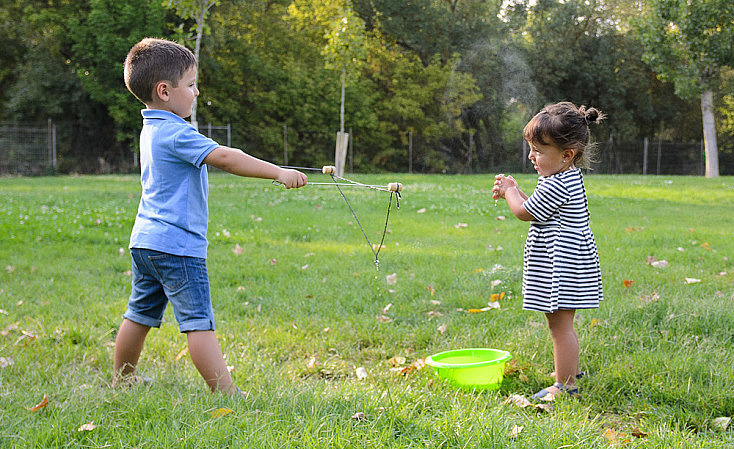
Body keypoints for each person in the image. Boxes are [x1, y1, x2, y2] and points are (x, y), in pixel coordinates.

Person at [113, 37, 307, 395]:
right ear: (164, 91)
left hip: (145, 243)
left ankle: (122, 380)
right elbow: (227, 158)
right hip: (177, 247)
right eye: (190, 85)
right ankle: (227, 394)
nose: (197, 92)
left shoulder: (152, 128)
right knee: (198, 323)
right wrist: (278, 172)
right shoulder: (176, 133)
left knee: (138, 315)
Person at [492, 101, 604, 400]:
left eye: (539, 151)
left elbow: (526, 212)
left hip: (563, 265)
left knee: (559, 325)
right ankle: (568, 369)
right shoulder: (562, 178)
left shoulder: (557, 183)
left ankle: (566, 385)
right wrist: (516, 190)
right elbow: (541, 211)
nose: (532, 156)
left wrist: (510, 192)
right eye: (531, 148)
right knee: (561, 323)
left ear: (567, 155)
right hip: (567, 262)